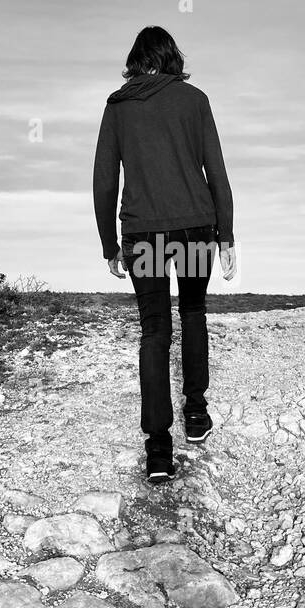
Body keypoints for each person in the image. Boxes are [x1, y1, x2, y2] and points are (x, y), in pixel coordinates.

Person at [92, 26, 237, 481]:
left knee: (155, 331)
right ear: (172, 58)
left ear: (135, 62)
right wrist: (227, 234)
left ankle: (158, 449)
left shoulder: (118, 107)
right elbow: (216, 170)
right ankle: (196, 413)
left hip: (145, 234)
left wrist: (109, 245)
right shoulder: (194, 101)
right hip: (195, 227)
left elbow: (103, 180)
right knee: (193, 313)